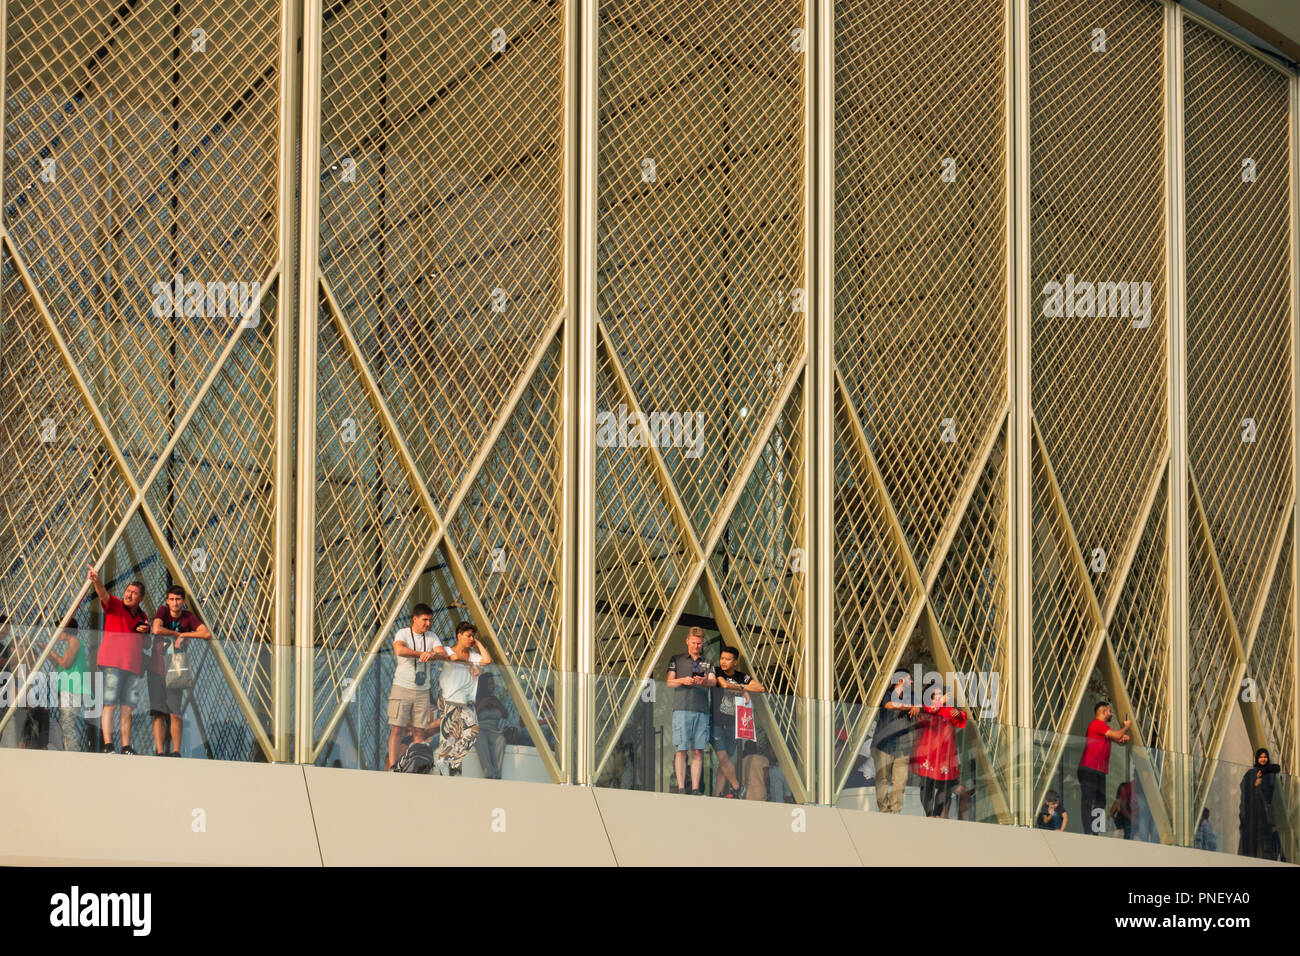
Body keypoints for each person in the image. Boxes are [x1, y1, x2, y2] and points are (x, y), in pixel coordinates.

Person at [86, 566, 150, 754]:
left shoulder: (142, 615)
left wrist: (146, 632)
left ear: (141, 599)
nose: (128, 594)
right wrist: (96, 580)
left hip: (133, 666)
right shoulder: (115, 604)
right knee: (110, 704)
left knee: (127, 708)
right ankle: (108, 744)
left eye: (133, 593)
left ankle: (126, 746)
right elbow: (102, 593)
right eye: (127, 591)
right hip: (113, 663)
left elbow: (146, 644)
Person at [149, 586, 210, 757]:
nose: (175, 603)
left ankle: (176, 751)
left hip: (176, 670)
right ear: (167, 601)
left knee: (175, 712)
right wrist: (178, 633)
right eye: (172, 599)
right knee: (158, 713)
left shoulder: (188, 616)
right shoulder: (162, 611)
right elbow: (156, 629)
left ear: (183, 601)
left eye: (178, 600)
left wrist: (185, 636)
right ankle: (160, 752)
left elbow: (205, 633)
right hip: (157, 668)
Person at [387, 604, 448, 770]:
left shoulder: (432, 636)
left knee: (419, 729)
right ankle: (393, 765)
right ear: (415, 619)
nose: (428, 623)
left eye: (430, 620)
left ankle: (419, 764)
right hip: (402, 686)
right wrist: (421, 654)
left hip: (422, 690)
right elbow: (398, 649)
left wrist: (433, 654)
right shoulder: (403, 633)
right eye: (425, 620)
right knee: (398, 727)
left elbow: (443, 654)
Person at [433, 620, 491, 776]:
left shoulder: (473, 655)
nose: (471, 638)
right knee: (449, 737)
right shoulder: (448, 650)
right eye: (469, 636)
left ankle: (450, 761)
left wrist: (477, 643)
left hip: (467, 700)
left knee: (473, 731)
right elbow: (452, 659)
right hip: (449, 698)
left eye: (473, 636)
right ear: (459, 636)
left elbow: (487, 660)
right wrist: (470, 665)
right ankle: (447, 773)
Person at [665, 626, 716, 795]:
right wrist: (683, 680)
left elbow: (713, 682)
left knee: (698, 750)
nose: (696, 646)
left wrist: (703, 681)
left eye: (699, 644)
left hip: (701, 710)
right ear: (687, 641)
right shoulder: (677, 659)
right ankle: (681, 787)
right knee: (681, 749)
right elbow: (669, 682)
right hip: (681, 709)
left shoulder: (707, 662)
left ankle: (695, 788)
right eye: (694, 643)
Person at [711, 645, 764, 798]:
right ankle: (737, 786)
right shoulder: (717, 671)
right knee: (722, 757)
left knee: (725, 761)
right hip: (717, 723)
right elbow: (724, 684)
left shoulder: (741, 676)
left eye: (728, 659)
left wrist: (742, 687)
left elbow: (760, 687)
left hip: (734, 725)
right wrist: (744, 690)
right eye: (722, 658)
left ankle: (717, 794)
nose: (723, 662)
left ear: (735, 662)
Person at [913, 686, 966, 818]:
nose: (938, 696)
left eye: (940, 694)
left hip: (944, 756)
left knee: (946, 786)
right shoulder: (925, 706)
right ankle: (929, 814)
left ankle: (936, 814)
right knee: (927, 784)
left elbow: (961, 722)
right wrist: (941, 701)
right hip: (928, 755)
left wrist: (959, 714)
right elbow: (930, 709)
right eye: (935, 694)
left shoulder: (947, 710)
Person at [1077, 701, 1130, 834]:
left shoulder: (1104, 729)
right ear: (1103, 711)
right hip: (1089, 768)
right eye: (1109, 711)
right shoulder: (1097, 724)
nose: (1111, 713)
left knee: (1101, 801)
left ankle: (1095, 830)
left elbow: (1118, 739)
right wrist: (1125, 728)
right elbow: (1117, 735)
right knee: (1088, 800)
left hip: (1099, 770)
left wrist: (1123, 738)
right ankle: (1089, 831)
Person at [873, 670, 919, 813]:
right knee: (883, 780)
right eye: (909, 679)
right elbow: (888, 705)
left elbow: (919, 706)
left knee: (900, 781)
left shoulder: (912, 696)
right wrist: (909, 706)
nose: (911, 682)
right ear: (900, 680)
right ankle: (884, 811)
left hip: (903, 746)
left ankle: (895, 813)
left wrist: (916, 706)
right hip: (883, 745)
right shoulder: (886, 693)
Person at [48, 619, 90, 752]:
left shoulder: (74, 642)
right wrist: (50, 655)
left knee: (67, 724)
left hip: (73, 688)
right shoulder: (71, 643)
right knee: (67, 723)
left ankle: (72, 752)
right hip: (70, 688)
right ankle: (70, 751)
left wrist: (51, 652)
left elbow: (65, 663)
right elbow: (61, 666)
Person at [1238, 747, 1281, 859]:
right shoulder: (1251, 773)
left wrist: (1262, 771)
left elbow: (1277, 768)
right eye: (1261, 757)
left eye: (1265, 757)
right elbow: (1245, 790)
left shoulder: (1270, 773)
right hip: (1254, 813)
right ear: (1257, 758)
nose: (1263, 759)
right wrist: (1255, 785)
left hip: (1267, 815)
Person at [474, 673, 508, 779]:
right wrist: (481, 705)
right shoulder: (476, 699)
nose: (492, 686)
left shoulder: (495, 699)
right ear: (483, 686)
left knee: (501, 740)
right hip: (480, 729)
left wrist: (497, 704)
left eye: (493, 684)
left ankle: (497, 775)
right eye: (489, 684)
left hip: (494, 730)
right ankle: (488, 773)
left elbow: (505, 714)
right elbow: (472, 716)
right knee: (480, 739)